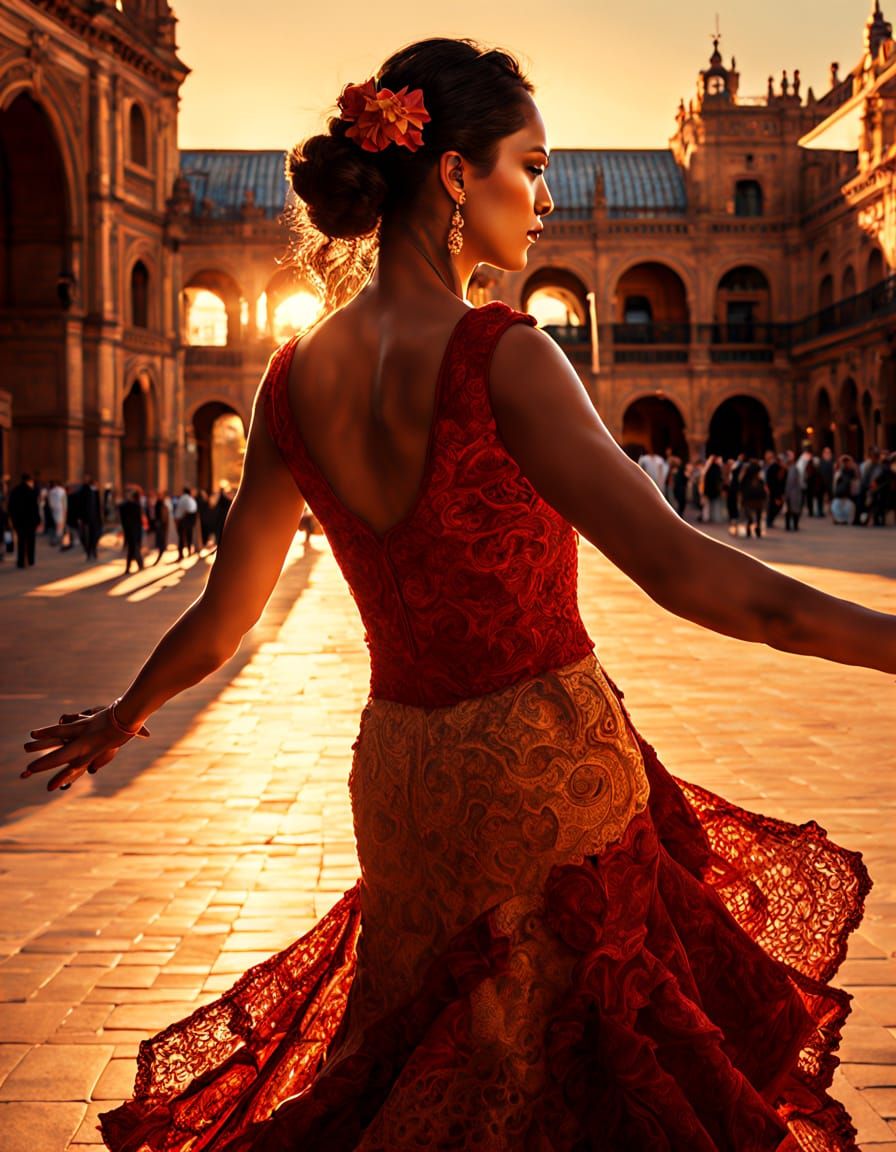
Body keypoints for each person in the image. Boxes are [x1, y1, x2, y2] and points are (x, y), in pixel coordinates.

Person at [21, 38, 895, 1152]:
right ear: (450, 176)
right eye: (528, 166)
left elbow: (225, 610)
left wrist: (123, 714)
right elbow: (690, 575)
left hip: (400, 781)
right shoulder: (503, 354)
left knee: (436, 1056)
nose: (541, 198)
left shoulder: (292, 376)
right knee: (563, 1079)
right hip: (538, 769)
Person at [8, 472, 40, 568]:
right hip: (30, 520)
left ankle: (21, 561)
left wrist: (12, 518)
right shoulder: (31, 491)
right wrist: (38, 519)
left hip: (19, 520)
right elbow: (35, 507)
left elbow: (11, 506)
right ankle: (30, 560)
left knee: (21, 540)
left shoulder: (15, 491)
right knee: (31, 540)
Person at [117, 489, 144, 573]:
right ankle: (138, 565)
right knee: (133, 549)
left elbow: (139, 520)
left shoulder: (134, 506)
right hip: (131, 531)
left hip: (134, 531)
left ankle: (131, 567)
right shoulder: (126, 506)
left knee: (132, 549)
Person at [173, 486, 198, 559]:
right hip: (189, 521)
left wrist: (179, 520)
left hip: (183, 521)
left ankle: (181, 554)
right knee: (189, 537)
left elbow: (181, 511)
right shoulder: (191, 499)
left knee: (181, 538)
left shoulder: (182, 498)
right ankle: (189, 551)